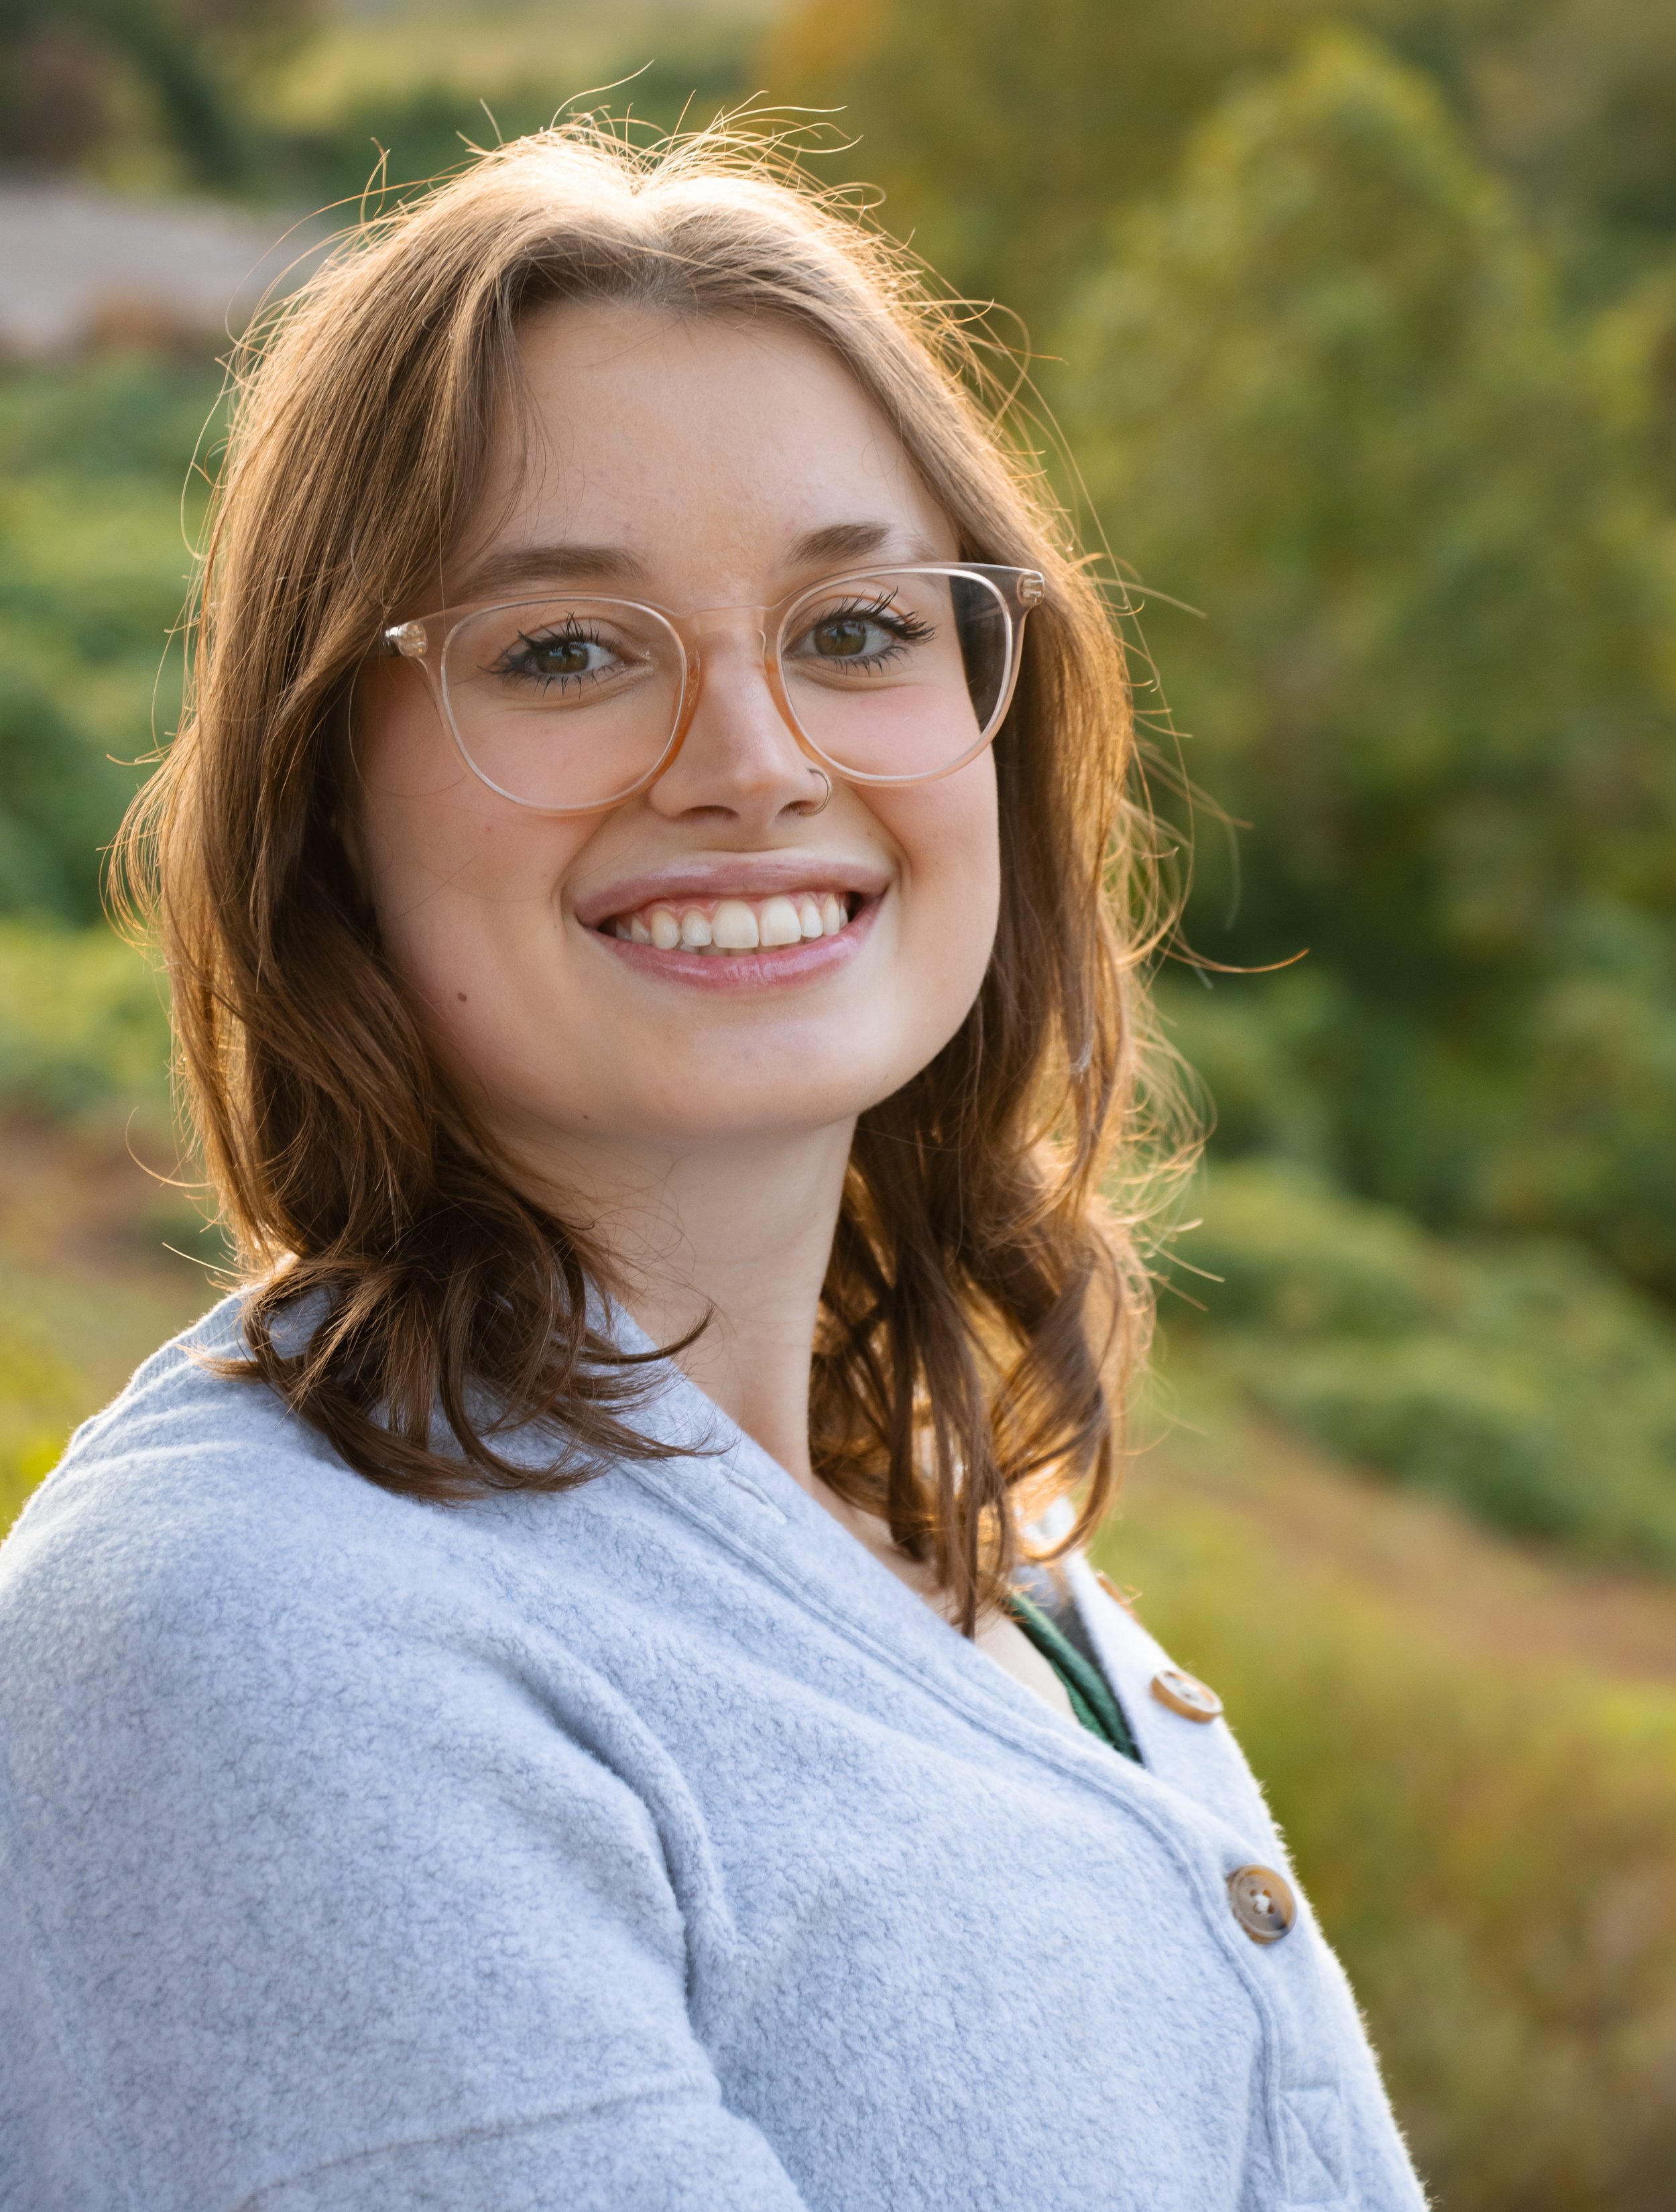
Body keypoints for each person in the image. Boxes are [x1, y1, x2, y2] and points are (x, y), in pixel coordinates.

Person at [0, 127, 1426, 2211]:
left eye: (856, 626)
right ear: (327, 807)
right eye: (564, 651)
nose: (756, 759)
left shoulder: (981, 1576)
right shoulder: (268, 1642)